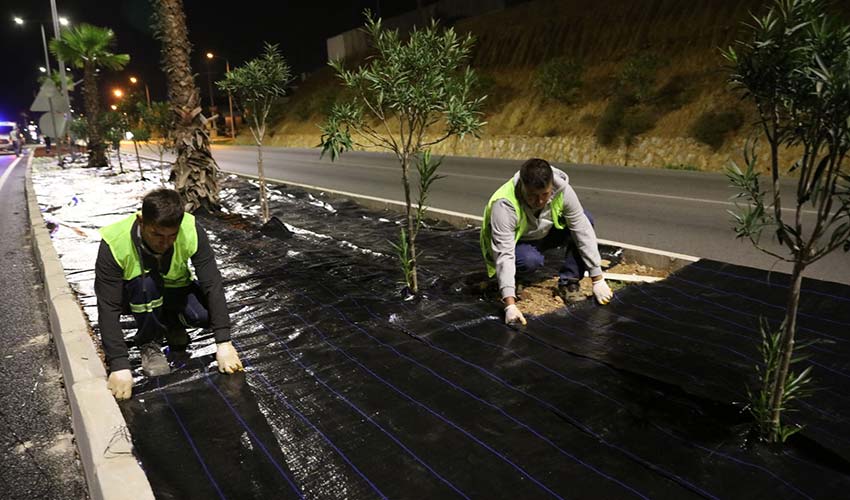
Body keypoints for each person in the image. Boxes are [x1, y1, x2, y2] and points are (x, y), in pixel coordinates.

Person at [95, 188, 243, 400]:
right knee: (147, 283)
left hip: (175, 289)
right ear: (141, 221)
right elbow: (107, 306)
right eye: (156, 234)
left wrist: (224, 342)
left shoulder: (191, 229)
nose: (163, 243)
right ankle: (149, 341)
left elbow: (212, 283)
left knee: (203, 316)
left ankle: (172, 322)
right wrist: (119, 364)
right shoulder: (114, 242)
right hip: (137, 294)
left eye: (171, 236)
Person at [480, 158, 614, 325]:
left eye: (545, 194)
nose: (540, 201)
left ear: (551, 185)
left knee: (585, 218)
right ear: (522, 186)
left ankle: (569, 283)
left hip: (545, 233)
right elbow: (504, 253)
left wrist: (598, 278)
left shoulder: (562, 190)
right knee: (529, 260)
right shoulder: (504, 204)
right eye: (532, 196)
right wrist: (510, 305)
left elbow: (582, 230)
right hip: (517, 245)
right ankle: (515, 280)